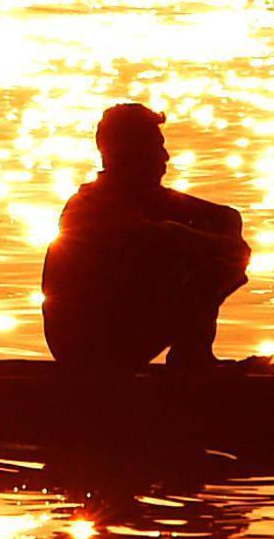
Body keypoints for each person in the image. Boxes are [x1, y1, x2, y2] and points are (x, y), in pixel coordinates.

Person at [40, 103, 250, 368]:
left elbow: (226, 217)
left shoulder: (144, 196)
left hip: (116, 330)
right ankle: (192, 357)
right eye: (155, 147)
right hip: (86, 346)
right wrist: (225, 249)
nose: (165, 157)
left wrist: (226, 241)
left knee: (213, 253)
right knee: (204, 262)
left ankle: (194, 353)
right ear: (130, 154)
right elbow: (166, 237)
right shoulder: (94, 207)